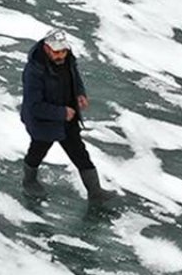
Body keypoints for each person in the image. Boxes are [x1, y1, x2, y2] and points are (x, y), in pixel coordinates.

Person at [19, 28, 113, 204]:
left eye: (63, 50)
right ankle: (29, 181)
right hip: (44, 123)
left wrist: (80, 93)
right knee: (37, 152)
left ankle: (95, 192)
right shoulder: (34, 71)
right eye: (56, 52)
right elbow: (34, 107)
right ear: (47, 49)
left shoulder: (67, 58)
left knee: (80, 155)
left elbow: (74, 78)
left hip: (68, 120)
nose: (61, 55)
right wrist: (61, 113)